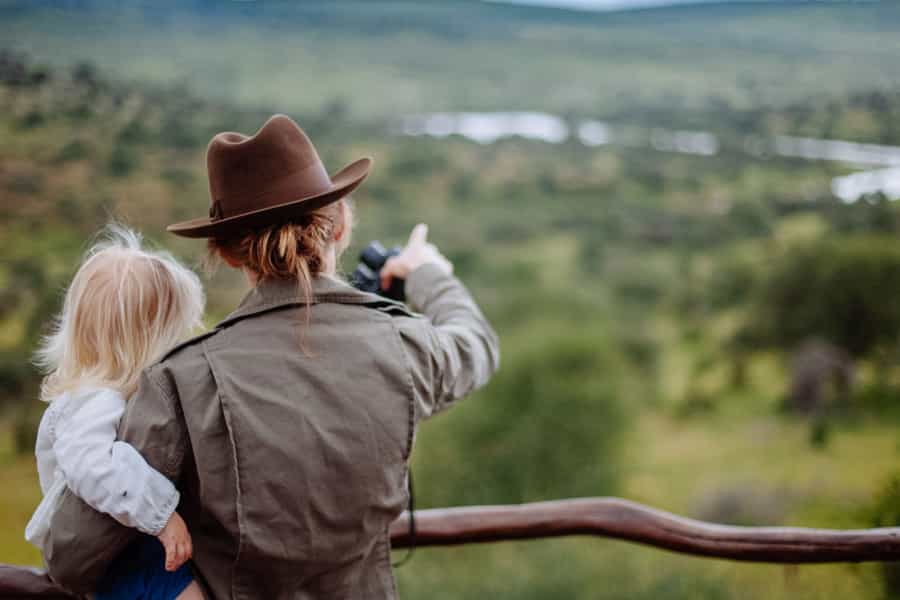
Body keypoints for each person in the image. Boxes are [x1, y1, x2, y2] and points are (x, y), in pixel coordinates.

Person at [42, 114, 500, 599]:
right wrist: (426, 273)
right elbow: (476, 345)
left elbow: (73, 553)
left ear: (228, 253)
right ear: (341, 226)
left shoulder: (183, 380)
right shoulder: (405, 345)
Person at [26, 226, 206, 600]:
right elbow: (94, 465)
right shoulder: (96, 400)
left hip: (128, 547)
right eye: (177, 331)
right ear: (147, 338)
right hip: (122, 559)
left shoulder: (106, 394)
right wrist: (163, 517)